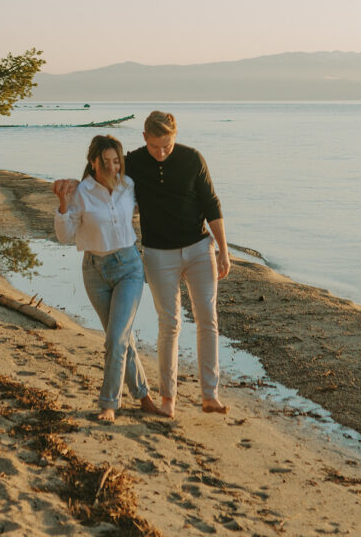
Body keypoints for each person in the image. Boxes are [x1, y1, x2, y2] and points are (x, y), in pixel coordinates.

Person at [55, 111, 230, 419]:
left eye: (167, 145)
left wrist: (224, 251)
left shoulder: (180, 164)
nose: (161, 153)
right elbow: (93, 188)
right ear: (144, 138)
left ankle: (207, 395)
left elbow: (211, 203)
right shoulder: (122, 169)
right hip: (141, 257)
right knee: (156, 327)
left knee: (205, 320)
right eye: (155, 146)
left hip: (175, 254)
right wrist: (69, 191)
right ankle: (159, 397)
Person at [54, 134, 160, 422]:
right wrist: (63, 203)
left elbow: (155, 201)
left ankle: (109, 404)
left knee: (115, 338)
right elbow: (64, 235)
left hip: (128, 267)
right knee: (121, 337)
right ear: (93, 163)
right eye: (107, 162)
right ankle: (144, 397)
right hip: (94, 272)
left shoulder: (129, 186)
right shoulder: (81, 193)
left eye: (117, 161)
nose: (114, 167)